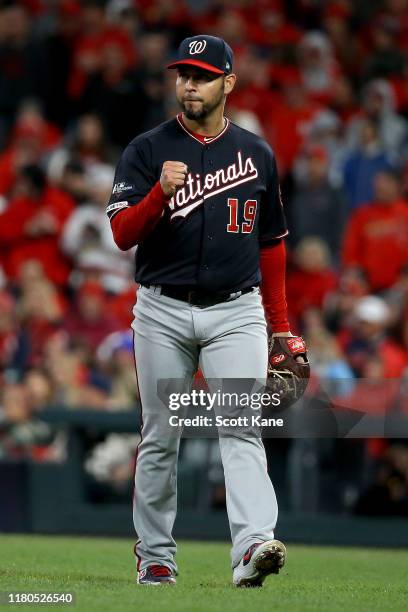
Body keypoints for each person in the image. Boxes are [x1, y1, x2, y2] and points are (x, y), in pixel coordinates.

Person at [107, 34, 307, 588]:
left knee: (241, 429)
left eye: (202, 75)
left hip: (236, 311)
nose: (189, 84)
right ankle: (155, 556)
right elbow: (122, 234)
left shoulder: (256, 153)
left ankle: (251, 549)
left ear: (228, 83)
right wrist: (156, 197)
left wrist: (282, 326)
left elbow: (272, 244)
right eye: (183, 75)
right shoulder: (146, 149)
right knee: (161, 434)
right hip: (162, 309)